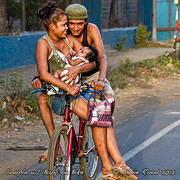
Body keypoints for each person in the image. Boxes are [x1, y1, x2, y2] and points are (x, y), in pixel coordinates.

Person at [32, 1, 138, 179]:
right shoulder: (43, 44)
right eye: (65, 24)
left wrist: (79, 68)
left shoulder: (69, 40)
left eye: (70, 24)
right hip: (58, 95)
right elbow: (44, 73)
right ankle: (108, 167)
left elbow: (93, 61)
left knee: (101, 112)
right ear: (51, 26)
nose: (68, 28)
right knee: (99, 116)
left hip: (76, 91)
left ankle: (112, 165)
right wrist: (66, 86)